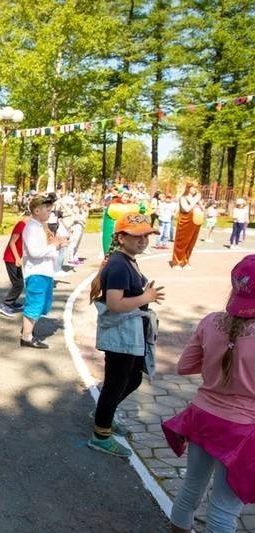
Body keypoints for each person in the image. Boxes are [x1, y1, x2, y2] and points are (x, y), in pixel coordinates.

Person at [161, 254, 255, 533]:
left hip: (202, 416)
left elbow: (184, 366)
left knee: (191, 486)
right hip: (242, 429)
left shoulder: (211, 321)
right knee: (224, 508)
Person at [87, 213, 164, 457]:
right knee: (116, 383)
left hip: (130, 332)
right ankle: (101, 434)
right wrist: (146, 298)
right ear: (121, 237)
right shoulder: (119, 264)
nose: (143, 240)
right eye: (136, 236)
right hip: (121, 334)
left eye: (146, 236)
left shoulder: (127, 260)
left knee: (132, 379)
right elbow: (115, 303)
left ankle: (104, 414)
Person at [20, 194, 67, 349]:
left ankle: (28, 328)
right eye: (47, 209)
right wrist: (54, 246)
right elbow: (34, 252)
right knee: (35, 303)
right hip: (36, 271)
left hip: (45, 271)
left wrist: (56, 244)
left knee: (43, 305)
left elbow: (46, 247)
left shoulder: (40, 227)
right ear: (37, 210)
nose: (50, 212)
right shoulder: (32, 228)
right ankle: (26, 336)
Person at [0, 214, 27, 317]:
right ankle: (5, 304)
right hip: (11, 258)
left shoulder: (27, 226)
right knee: (18, 284)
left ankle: (12, 302)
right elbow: (12, 242)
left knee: (19, 283)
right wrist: (17, 258)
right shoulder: (21, 225)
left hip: (16, 258)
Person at [170, 183, 202, 270]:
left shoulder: (196, 198)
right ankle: (176, 262)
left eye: (196, 188)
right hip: (185, 223)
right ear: (188, 188)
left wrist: (199, 202)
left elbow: (202, 209)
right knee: (181, 243)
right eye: (193, 188)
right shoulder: (183, 198)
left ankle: (185, 261)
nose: (195, 189)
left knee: (191, 243)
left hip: (195, 223)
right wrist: (195, 200)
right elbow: (186, 209)